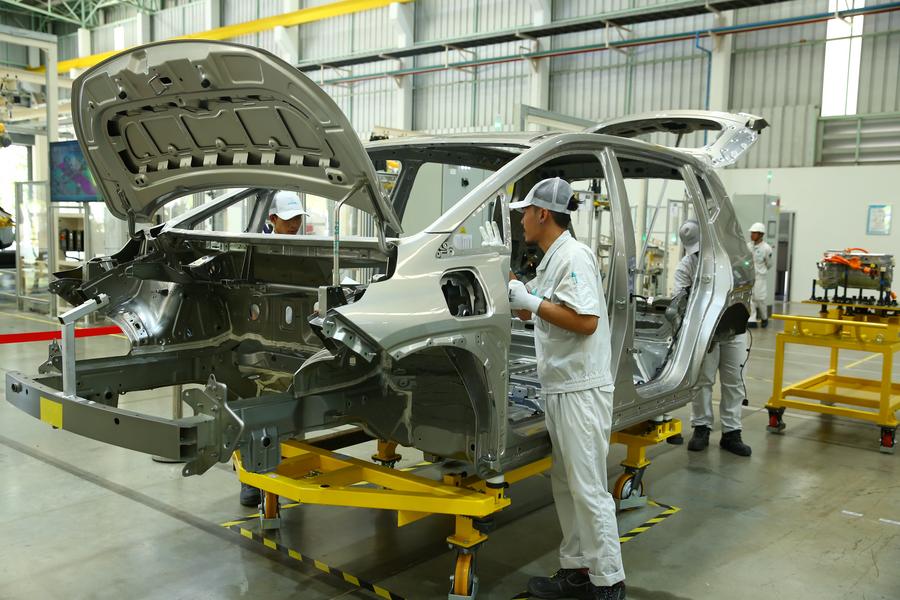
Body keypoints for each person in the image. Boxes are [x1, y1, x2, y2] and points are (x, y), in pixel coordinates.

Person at [508, 178, 625, 600]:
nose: (521, 220)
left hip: (580, 388)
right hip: (560, 385)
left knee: (588, 487)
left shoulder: (573, 256)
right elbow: (538, 313)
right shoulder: (551, 259)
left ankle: (609, 580)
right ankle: (578, 569)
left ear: (543, 213)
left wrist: (530, 301)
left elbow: (586, 321)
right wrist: (516, 289)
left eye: (525, 212)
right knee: (567, 483)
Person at [239, 191, 308, 508]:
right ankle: (251, 481)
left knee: (295, 409)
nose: (294, 225)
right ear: (273, 219)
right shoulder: (255, 250)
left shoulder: (307, 249)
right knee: (260, 409)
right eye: (288, 220)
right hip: (262, 341)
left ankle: (290, 470)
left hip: (297, 340)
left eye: (298, 219)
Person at [674, 220, 751, 457]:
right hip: (705, 334)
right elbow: (679, 299)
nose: (698, 254)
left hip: (734, 330)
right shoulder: (686, 266)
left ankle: (732, 432)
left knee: (734, 382)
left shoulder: (731, 260)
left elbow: (745, 286)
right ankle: (701, 428)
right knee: (702, 381)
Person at [747, 222, 773, 328]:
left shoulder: (766, 248)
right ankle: (752, 319)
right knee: (750, 298)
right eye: (751, 233)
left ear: (761, 234)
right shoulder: (748, 246)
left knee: (759, 298)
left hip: (760, 277)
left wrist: (761, 270)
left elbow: (769, 264)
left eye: (754, 233)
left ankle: (764, 317)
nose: (752, 235)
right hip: (750, 276)